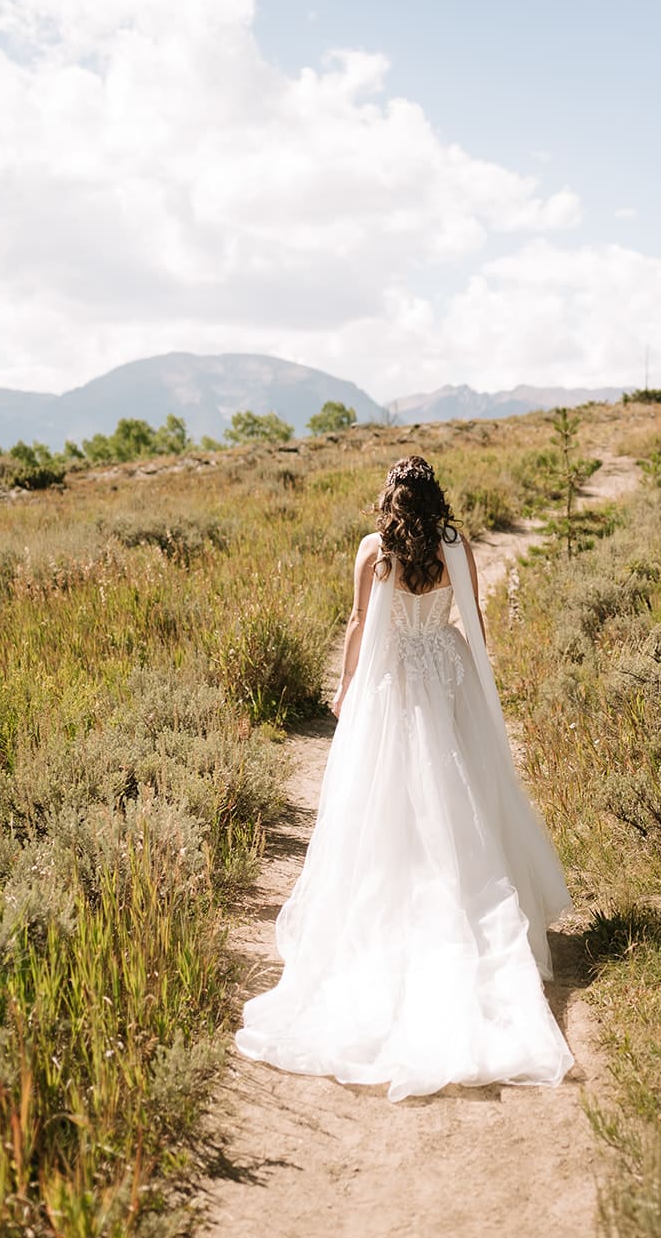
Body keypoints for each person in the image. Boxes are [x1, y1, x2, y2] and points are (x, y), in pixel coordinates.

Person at [235, 455, 573, 1101]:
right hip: (445, 669)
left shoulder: (374, 548)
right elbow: (471, 615)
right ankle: (464, 894)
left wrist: (346, 686)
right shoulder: (453, 543)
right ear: (435, 496)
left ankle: (397, 896)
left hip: (394, 675)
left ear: (390, 498)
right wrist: (476, 679)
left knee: (387, 794)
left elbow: (360, 622)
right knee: (462, 788)